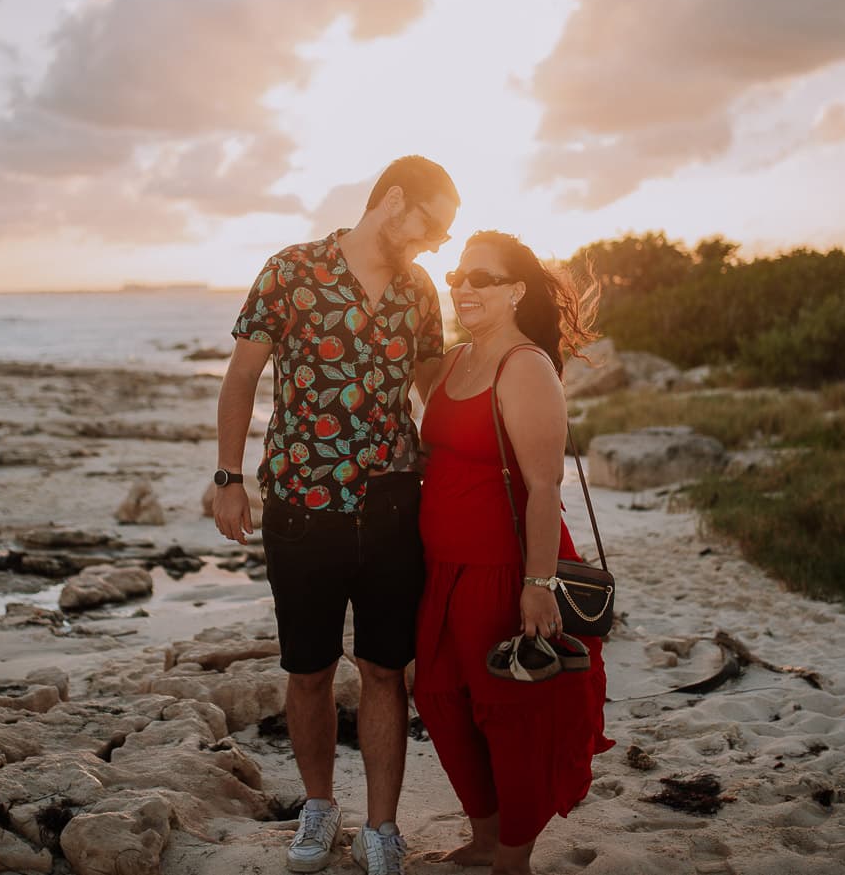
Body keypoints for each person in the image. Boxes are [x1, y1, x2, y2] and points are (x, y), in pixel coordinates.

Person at [214, 155, 460, 874]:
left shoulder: (418, 290)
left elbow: (433, 391)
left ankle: (381, 826)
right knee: (310, 668)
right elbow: (241, 379)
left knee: (386, 668)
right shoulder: (290, 270)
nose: (438, 243)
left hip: (392, 505)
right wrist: (229, 478)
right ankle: (319, 807)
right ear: (391, 201)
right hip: (300, 504)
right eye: (433, 225)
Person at [413, 230, 614, 875]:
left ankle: (514, 858)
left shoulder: (524, 367)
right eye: (456, 277)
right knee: (443, 700)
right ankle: (486, 834)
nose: (464, 288)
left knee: (511, 711)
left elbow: (544, 486)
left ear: (516, 290)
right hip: (442, 570)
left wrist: (538, 583)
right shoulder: (453, 361)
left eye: (482, 278)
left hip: (506, 571)